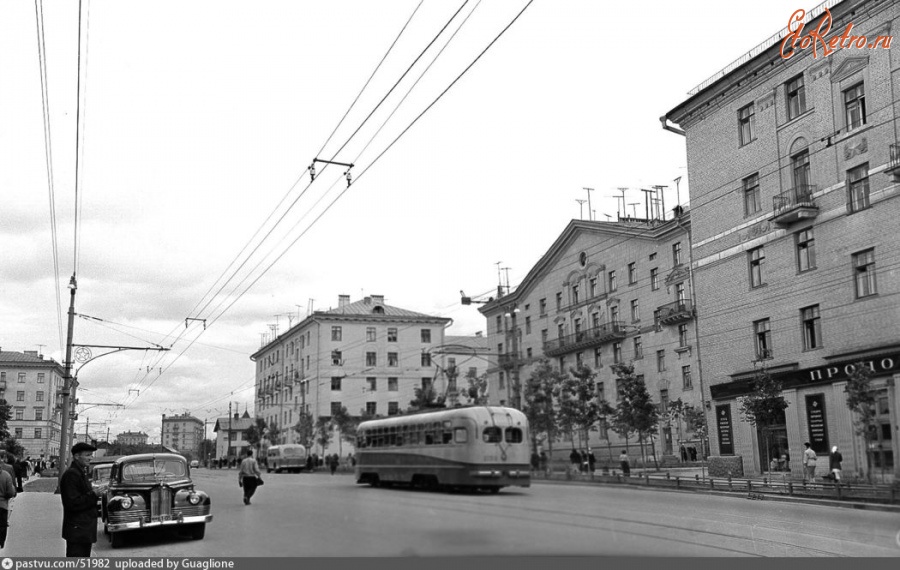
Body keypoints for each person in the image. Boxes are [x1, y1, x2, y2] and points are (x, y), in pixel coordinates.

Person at [60, 442, 100, 557]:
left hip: (82, 530)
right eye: (87, 455)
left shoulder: (80, 472)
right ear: (77, 456)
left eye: (91, 455)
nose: (90, 458)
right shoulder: (72, 475)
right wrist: (94, 494)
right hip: (78, 530)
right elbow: (72, 503)